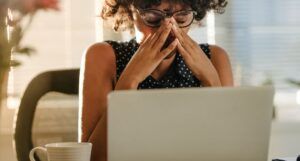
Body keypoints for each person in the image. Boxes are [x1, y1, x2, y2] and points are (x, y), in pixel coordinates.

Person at [80, 0, 233, 161]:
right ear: (129, 10)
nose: (169, 29)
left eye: (181, 18)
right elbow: (91, 157)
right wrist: (129, 81)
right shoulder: (103, 56)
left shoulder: (215, 58)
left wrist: (211, 81)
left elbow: (233, 151)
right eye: (153, 17)